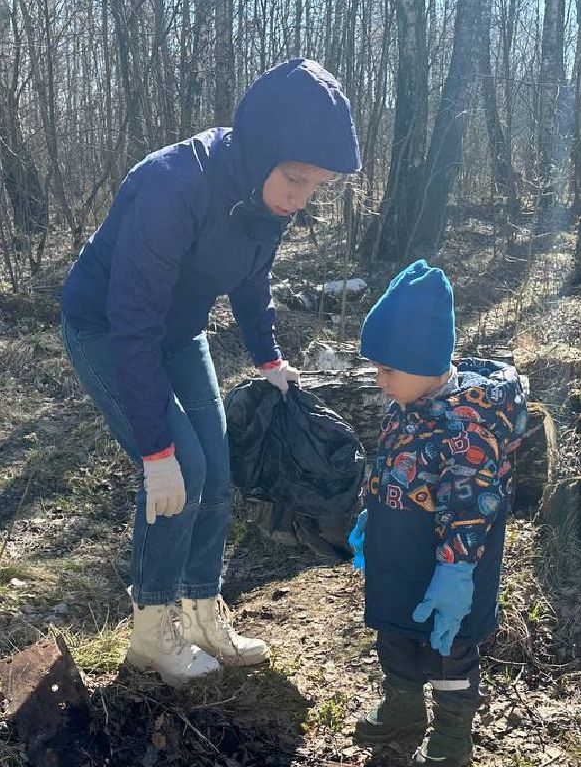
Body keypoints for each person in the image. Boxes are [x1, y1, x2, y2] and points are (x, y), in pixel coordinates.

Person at [61, 58, 361, 686]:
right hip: (109, 328)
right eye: (297, 180)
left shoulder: (265, 201)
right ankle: (151, 631)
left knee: (217, 469)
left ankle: (200, 611)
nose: (302, 200)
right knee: (182, 472)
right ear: (261, 154)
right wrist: (155, 449)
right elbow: (132, 323)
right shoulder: (176, 187)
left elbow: (252, 277)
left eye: (315, 187)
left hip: (178, 330)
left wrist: (269, 356)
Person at [348, 261, 527, 767]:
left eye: (388, 370)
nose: (380, 381)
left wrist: (455, 572)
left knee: (449, 641)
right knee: (394, 628)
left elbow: (472, 503)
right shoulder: (406, 403)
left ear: (426, 362)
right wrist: (373, 508)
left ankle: (452, 730)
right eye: (376, 369)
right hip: (397, 545)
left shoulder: (469, 422)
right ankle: (402, 704)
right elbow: (390, 461)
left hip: (452, 560)